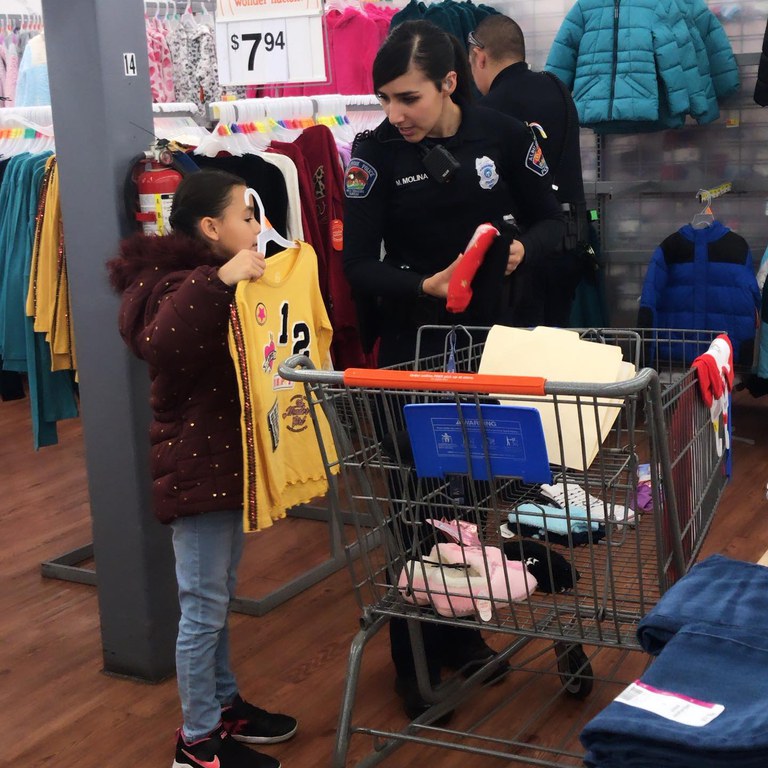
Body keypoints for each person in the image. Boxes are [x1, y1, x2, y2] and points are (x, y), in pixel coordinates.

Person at [342, 19, 565, 718]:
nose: (394, 114)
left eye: (408, 97)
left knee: (468, 504)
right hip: (411, 356)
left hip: (490, 351)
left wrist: (528, 247)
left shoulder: (505, 133)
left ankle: (462, 633)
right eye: (384, 98)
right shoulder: (372, 153)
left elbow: (561, 220)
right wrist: (422, 288)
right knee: (415, 507)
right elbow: (358, 266)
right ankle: (413, 658)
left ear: (448, 82)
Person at [107, 170, 297, 768]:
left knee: (217, 596)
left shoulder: (209, 281)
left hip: (222, 465)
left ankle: (221, 707)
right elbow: (165, 342)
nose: (257, 227)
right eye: (247, 215)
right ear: (212, 227)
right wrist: (219, 279)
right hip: (196, 469)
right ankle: (195, 743)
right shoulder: (173, 284)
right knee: (202, 606)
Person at [469, 14, 589, 327]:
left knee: (520, 360)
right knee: (559, 351)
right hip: (571, 243)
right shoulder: (559, 89)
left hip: (520, 254)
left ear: (479, 57)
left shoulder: (485, 112)